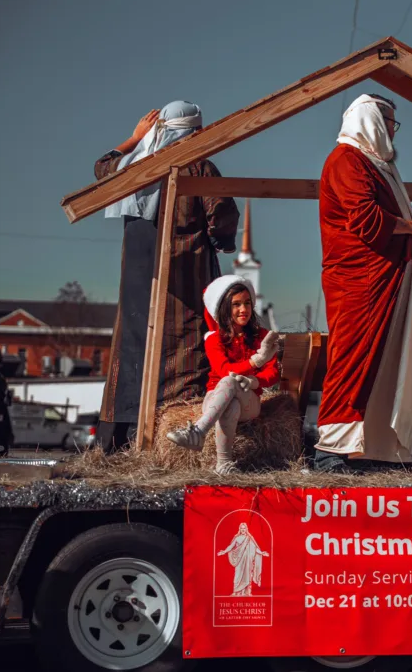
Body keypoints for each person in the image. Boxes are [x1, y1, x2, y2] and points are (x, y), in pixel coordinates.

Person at [96, 102, 240, 450]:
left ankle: (120, 440)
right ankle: (168, 438)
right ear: (195, 132)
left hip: (137, 284)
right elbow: (221, 215)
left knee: (133, 350)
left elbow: (102, 167)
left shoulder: (135, 167)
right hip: (184, 283)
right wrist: (220, 241)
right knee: (185, 351)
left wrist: (134, 139)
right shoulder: (199, 167)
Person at [314, 93, 412, 472]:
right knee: (354, 360)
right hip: (360, 281)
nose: (393, 132)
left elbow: (382, 220)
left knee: (382, 362)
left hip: (382, 279)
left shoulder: (374, 165)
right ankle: (331, 453)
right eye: (389, 123)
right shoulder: (347, 160)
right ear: (371, 120)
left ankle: (371, 451)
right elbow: (366, 220)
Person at [165, 275, 280, 475]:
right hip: (215, 398)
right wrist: (256, 361)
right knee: (230, 398)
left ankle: (199, 431)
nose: (243, 309)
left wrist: (255, 381)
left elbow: (274, 373)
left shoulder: (262, 336)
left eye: (247, 303)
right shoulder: (214, 339)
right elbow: (224, 370)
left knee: (230, 384)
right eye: (236, 304)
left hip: (249, 400)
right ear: (225, 308)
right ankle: (224, 465)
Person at [217, 522, 269, 596]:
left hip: (248, 562)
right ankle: (236, 592)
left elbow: (254, 548)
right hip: (239, 560)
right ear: (240, 529)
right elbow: (231, 546)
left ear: (246, 529)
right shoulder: (237, 538)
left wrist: (261, 553)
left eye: (244, 528)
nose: (243, 530)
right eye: (241, 528)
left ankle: (247, 592)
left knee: (247, 575)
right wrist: (224, 551)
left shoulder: (249, 538)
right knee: (237, 575)